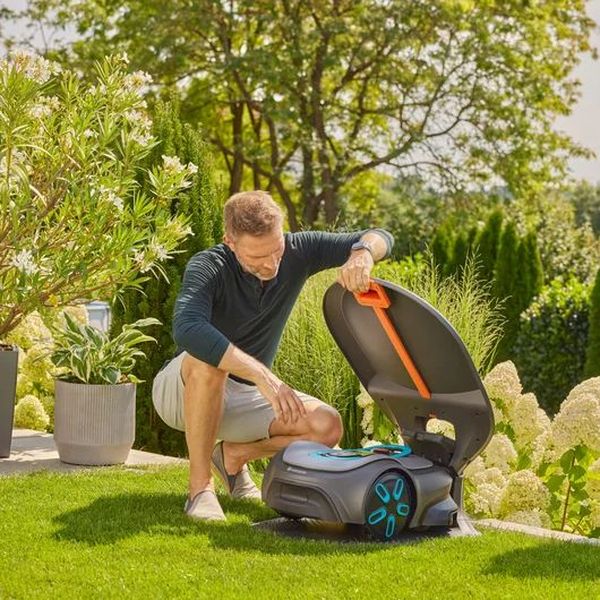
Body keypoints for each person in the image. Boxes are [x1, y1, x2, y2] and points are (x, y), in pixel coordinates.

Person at [152, 190, 394, 521]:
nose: (271, 264)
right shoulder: (208, 265)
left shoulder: (298, 251)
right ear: (230, 242)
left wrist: (363, 253)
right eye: (257, 256)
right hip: (181, 392)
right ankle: (200, 490)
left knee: (326, 426)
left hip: (244, 397)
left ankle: (234, 456)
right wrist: (262, 375)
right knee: (208, 364)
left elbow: (380, 236)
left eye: (276, 250)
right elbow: (187, 328)